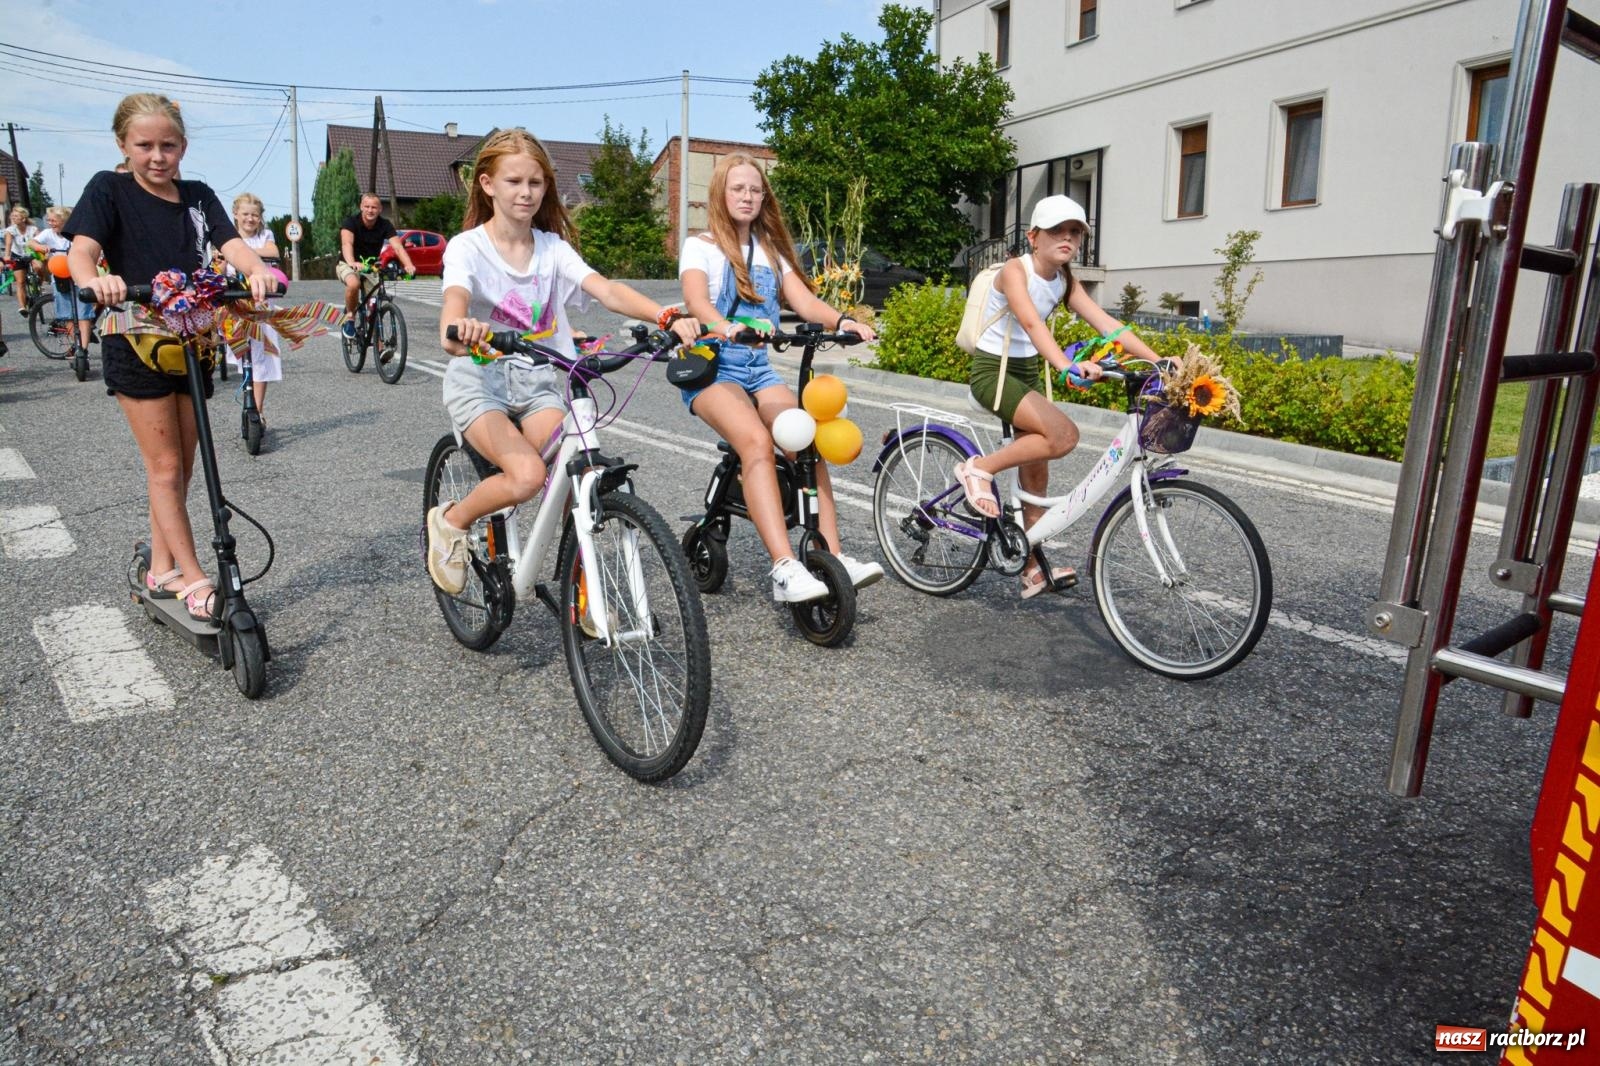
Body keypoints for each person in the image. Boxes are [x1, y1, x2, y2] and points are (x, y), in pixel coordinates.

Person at [425, 128, 700, 596]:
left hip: (536, 383)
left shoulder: (552, 248)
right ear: (488, 184)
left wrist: (664, 313)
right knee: (527, 476)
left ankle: (585, 588)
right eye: (514, 182)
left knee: (580, 470)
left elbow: (606, 289)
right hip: (480, 382)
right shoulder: (467, 247)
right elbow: (455, 305)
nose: (526, 193)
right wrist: (460, 329)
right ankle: (451, 521)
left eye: (536, 183)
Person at [66, 93, 277, 621]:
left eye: (168, 145)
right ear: (123, 145)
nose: (157, 156)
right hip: (134, 337)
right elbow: (81, 251)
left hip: (190, 339)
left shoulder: (199, 196)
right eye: (144, 146)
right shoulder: (108, 189)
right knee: (164, 467)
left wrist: (254, 271)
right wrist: (97, 280)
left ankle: (160, 565)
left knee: (181, 468)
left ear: (183, 145)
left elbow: (232, 244)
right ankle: (193, 576)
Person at [677, 155, 883, 604]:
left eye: (755, 190)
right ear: (721, 194)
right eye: (738, 189)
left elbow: (804, 302)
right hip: (715, 365)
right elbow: (696, 300)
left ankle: (832, 552)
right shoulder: (702, 246)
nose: (748, 197)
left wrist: (843, 320)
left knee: (806, 440)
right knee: (753, 441)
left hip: (758, 368)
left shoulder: (769, 249)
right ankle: (784, 567)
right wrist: (724, 324)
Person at [956, 194, 1161, 599]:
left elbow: (1108, 326)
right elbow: (1032, 323)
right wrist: (1066, 366)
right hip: (993, 373)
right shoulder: (1017, 270)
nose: (1067, 238)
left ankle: (1031, 567)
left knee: (1036, 472)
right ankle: (978, 469)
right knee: (1062, 436)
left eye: (1075, 232)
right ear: (1034, 236)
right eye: (1056, 230)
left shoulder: (1065, 279)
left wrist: (1160, 361)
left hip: (1027, 373)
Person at [223, 193, 283, 428]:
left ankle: (257, 409)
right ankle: (246, 391)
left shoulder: (264, 236)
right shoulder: (227, 238)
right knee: (243, 354)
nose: (250, 219)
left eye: (255, 215)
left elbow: (274, 252)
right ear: (236, 215)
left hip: (260, 304)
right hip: (235, 303)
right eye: (245, 214)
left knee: (262, 358)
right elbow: (218, 266)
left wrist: (243, 254)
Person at [338, 193, 414, 340]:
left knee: (374, 305)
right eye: (366, 206)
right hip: (348, 263)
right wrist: (352, 262)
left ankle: (379, 348)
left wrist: (408, 265)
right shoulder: (350, 222)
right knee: (354, 284)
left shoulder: (385, 225)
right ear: (361, 207)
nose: (370, 210)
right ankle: (350, 317)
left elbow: (398, 247)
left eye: (374, 207)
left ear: (380, 209)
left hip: (370, 267)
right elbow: (347, 244)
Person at [29, 206, 94, 352]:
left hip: (79, 276)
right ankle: (78, 345)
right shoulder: (47, 234)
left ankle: (83, 349)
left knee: (84, 315)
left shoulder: (76, 233)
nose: (50, 223)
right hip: (60, 278)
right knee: (67, 315)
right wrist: (41, 247)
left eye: (54, 220)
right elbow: (31, 243)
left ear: (64, 220)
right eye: (49, 220)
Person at [3, 205, 38, 313]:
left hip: (31, 254)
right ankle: (23, 306)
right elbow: (8, 244)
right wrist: (7, 256)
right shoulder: (10, 230)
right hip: (17, 255)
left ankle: (37, 285)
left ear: (23, 218)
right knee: (20, 281)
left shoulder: (33, 229)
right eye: (12, 216)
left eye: (16, 216)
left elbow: (40, 241)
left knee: (39, 268)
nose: (13, 218)